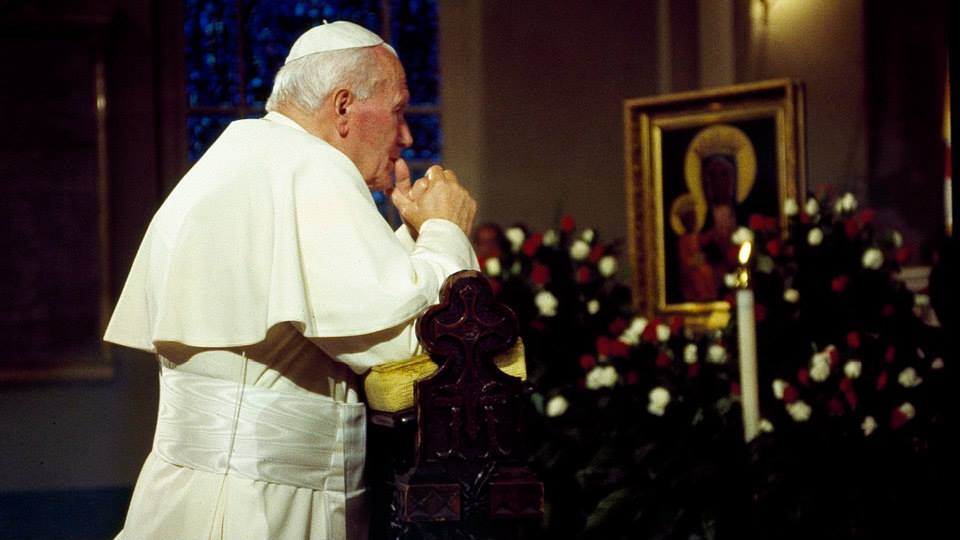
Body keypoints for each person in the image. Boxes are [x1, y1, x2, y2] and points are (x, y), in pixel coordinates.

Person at [104, 21, 478, 540]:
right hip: (262, 507)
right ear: (343, 106)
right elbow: (405, 341)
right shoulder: (310, 168)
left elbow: (334, 299)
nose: (407, 136)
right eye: (398, 111)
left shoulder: (243, 156)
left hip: (205, 492)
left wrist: (414, 237)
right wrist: (445, 230)